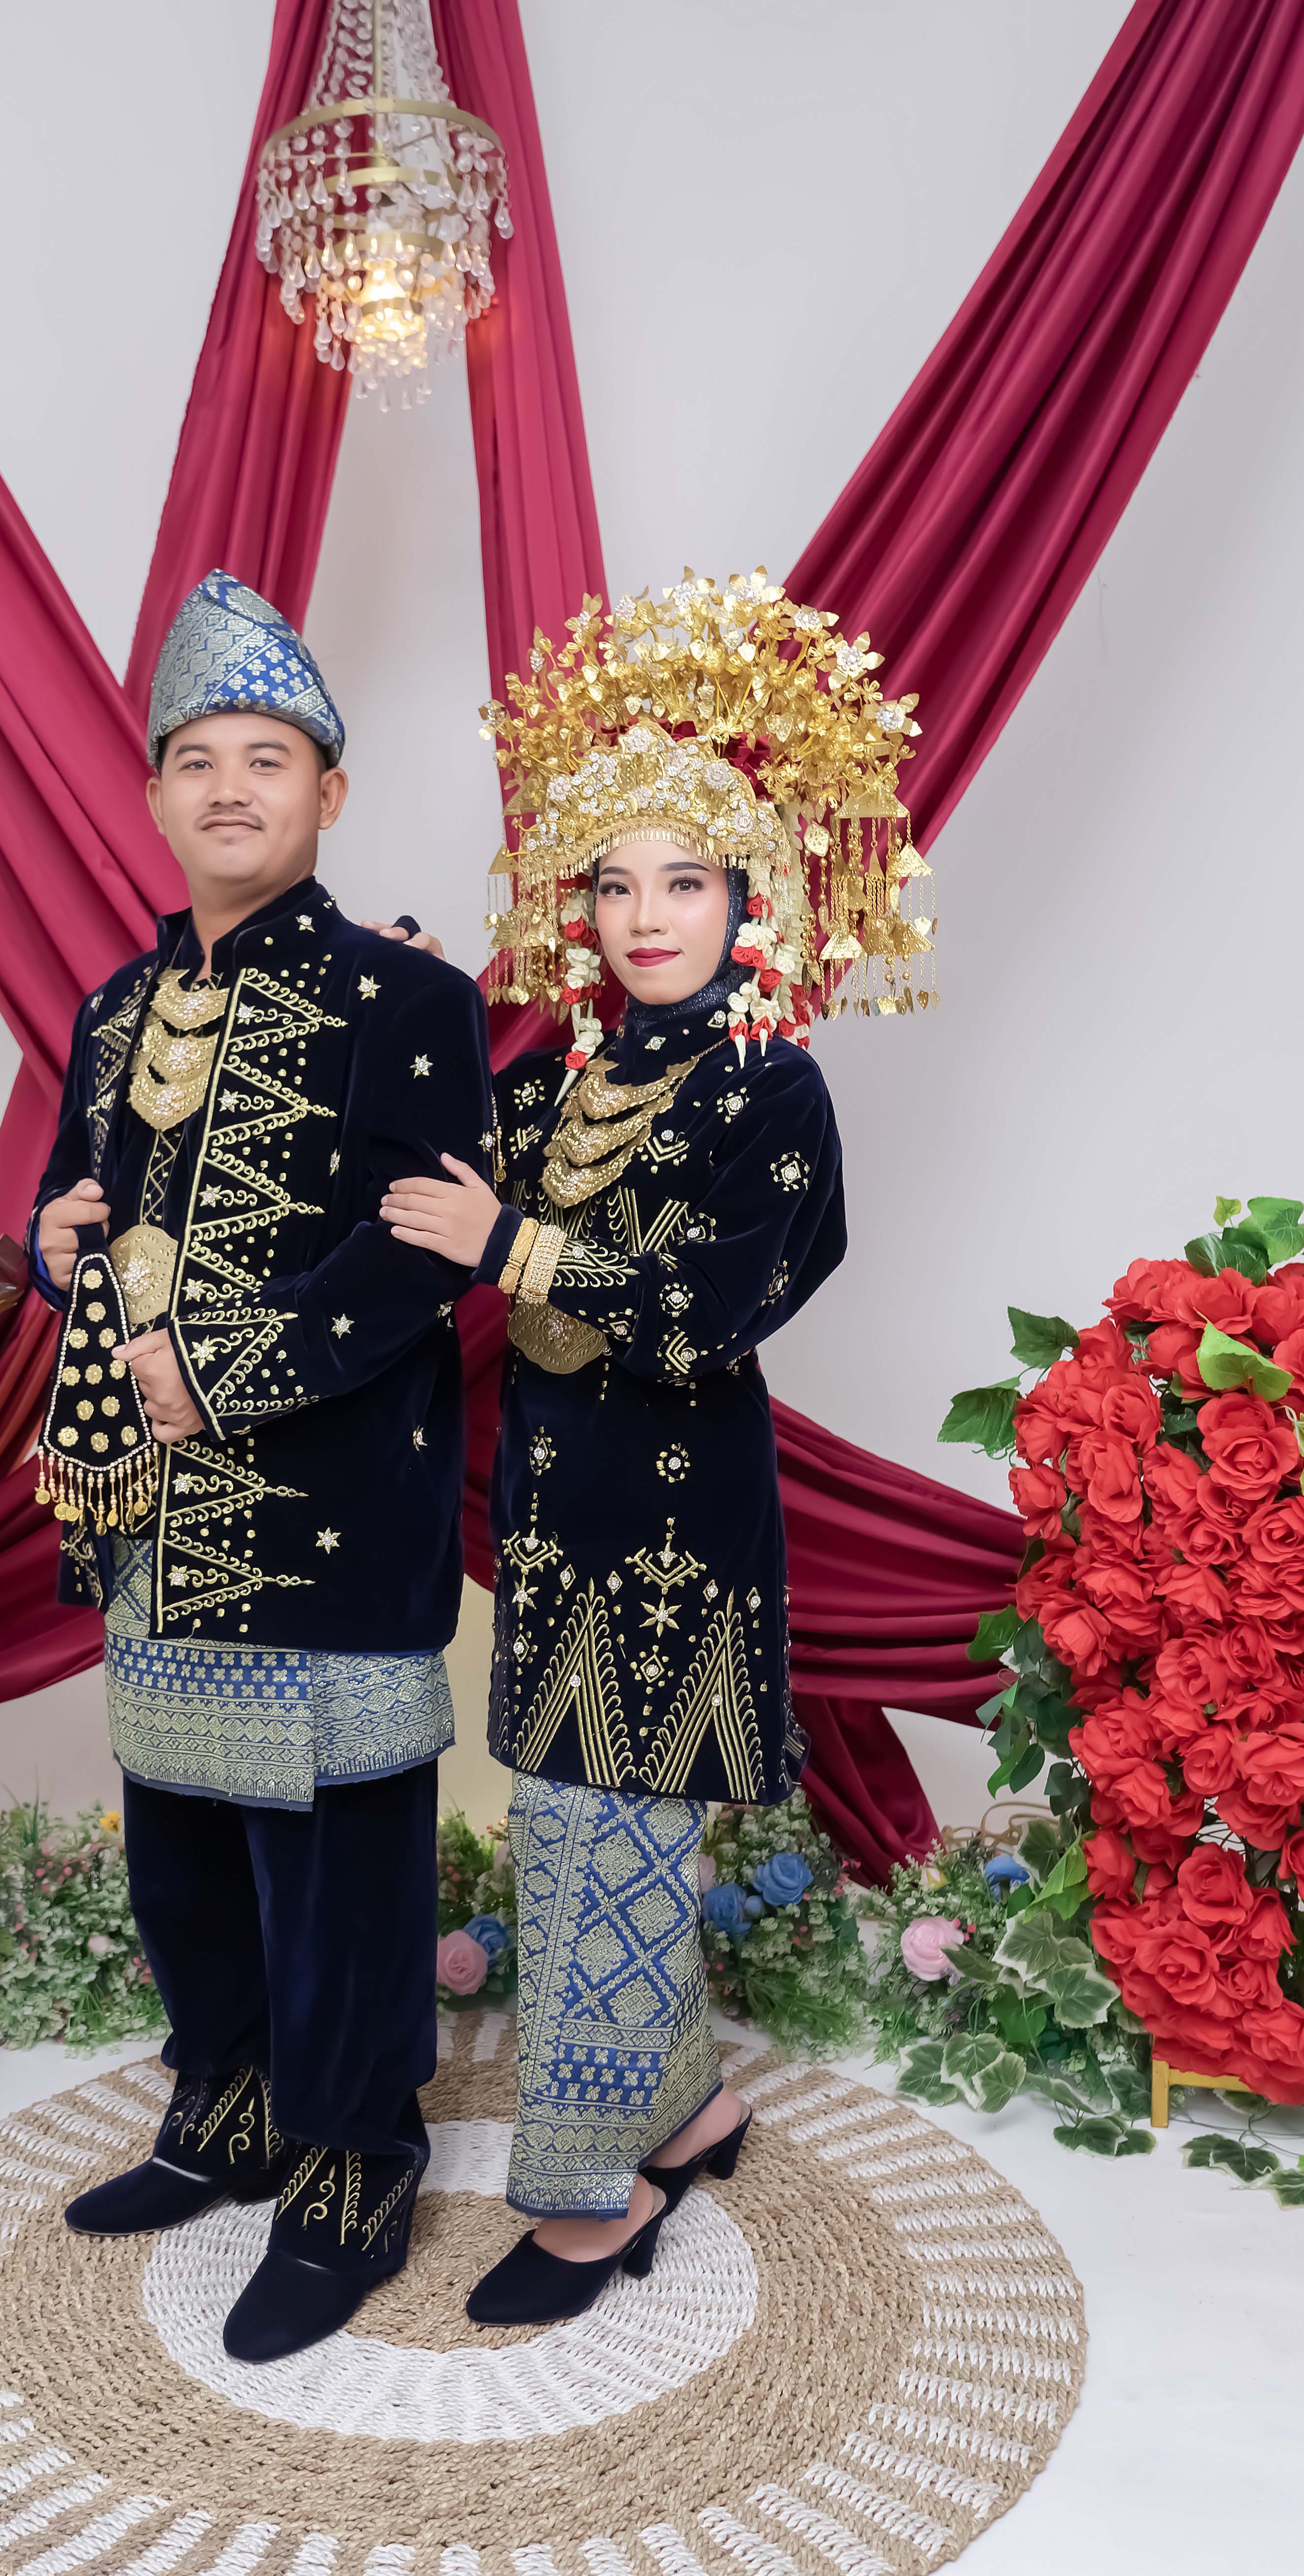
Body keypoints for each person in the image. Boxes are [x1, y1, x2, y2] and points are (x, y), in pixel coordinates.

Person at [382, 571, 924, 2326]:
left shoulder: (773, 1093)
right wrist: (388, 1010)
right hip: (554, 1521)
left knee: (609, 1838)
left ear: (746, 896)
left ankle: (588, 2191)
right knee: (571, 1829)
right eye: (612, 885)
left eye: (681, 881)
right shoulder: (554, 1084)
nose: (642, 917)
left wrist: (514, 1249)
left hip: (681, 1532)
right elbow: (419, 1187)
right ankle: (689, 2107)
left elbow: (707, 1311)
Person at [30, 569, 492, 2363]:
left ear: (329, 793)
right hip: (149, 1519)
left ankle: (352, 2171)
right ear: (154, 795)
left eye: (268, 760)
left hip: (331, 1512)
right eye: (198, 762)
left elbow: (418, 1251)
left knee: (339, 1877)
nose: (230, 789)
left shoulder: (407, 997)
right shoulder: (109, 1010)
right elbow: (88, 1210)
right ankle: (221, 2111)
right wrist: (54, 1249)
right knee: (183, 1853)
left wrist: (219, 1368)